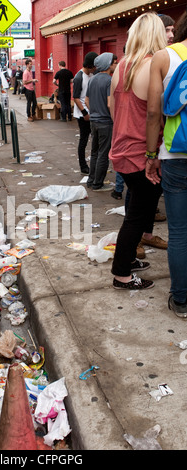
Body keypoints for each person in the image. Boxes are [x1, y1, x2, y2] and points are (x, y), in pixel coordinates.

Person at [109, 12, 168, 290]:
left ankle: (129, 260)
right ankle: (122, 273)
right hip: (141, 155)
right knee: (136, 216)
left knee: (135, 210)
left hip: (121, 150)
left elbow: (113, 111)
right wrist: (150, 155)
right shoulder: (151, 67)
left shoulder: (121, 66)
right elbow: (154, 114)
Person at [146, 10, 187, 315]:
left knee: (179, 231)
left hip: (175, 153)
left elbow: (153, 113)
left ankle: (182, 299)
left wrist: (150, 155)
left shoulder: (165, 56)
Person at [85, 53, 117, 191]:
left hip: (94, 120)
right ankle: (98, 183)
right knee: (103, 154)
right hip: (105, 122)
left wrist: (95, 111)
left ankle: (91, 180)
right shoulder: (109, 80)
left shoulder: (92, 79)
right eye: (114, 62)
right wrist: (115, 120)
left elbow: (86, 100)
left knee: (94, 152)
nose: (116, 65)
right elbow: (110, 104)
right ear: (108, 64)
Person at [73, 52, 98, 175]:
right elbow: (76, 97)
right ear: (89, 66)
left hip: (90, 112)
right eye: (94, 66)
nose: (95, 69)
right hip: (82, 114)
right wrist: (84, 113)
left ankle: (93, 164)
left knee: (93, 139)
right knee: (83, 140)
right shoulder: (79, 77)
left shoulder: (91, 75)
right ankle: (83, 166)